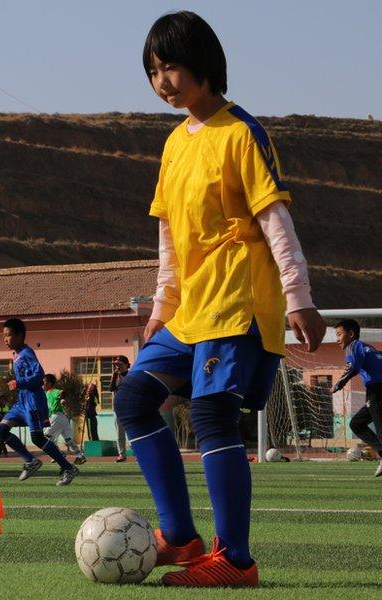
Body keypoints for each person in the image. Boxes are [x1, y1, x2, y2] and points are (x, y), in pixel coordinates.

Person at [112, 11, 326, 587]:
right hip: (191, 310)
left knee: (210, 414)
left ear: (204, 63)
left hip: (239, 301)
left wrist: (298, 294)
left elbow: (274, 217)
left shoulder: (242, 132)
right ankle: (180, 538)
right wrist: (162, 307)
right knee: (134, 399)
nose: (162, 81)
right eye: (152, 71)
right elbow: (171, 238)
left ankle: (234, 559)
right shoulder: (174, 144)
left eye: (171, 66)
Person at [0, 318, 79, 485]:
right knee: (1, 430)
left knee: (38, 439)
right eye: (4, 336)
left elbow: (39, 375)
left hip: (33, 402)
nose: (5, 339)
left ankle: (68, 468)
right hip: (22, 402)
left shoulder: (27, 353)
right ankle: (30, 461)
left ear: (20, 336)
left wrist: (19, 383)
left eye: (8, 335)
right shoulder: (18, 354)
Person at [331, 319, 382, 477]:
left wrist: (337, 384)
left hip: (378, 389)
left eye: (339, 334)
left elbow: (352, 366)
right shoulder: (368, 348)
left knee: (380, 428)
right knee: (357, 423)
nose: (337, 339)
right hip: (375, 389)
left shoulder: (354, 345)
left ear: (351, 334)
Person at [43, 374, 85, 465]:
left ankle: (59, 454)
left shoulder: (53, 391)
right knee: (68, 439)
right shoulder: (46, 393)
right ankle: (80, 456)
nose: (42, 384)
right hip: (62, 418)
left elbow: (63, 392)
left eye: (44, 382)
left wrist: (62, 399)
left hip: (56, 416)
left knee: (45, 436)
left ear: (49, 384)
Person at [110, 356, 131, 463]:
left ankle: (138, 454)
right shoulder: (115, 376)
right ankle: (121, 454)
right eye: (116, 365)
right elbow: (111, 388)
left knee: (132, 431)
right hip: (117, 408)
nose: (117, 367)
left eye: (120, 364)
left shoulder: (131, 375)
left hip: (130, 407)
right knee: (119, 433)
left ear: (127, 365)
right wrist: (114, 376)